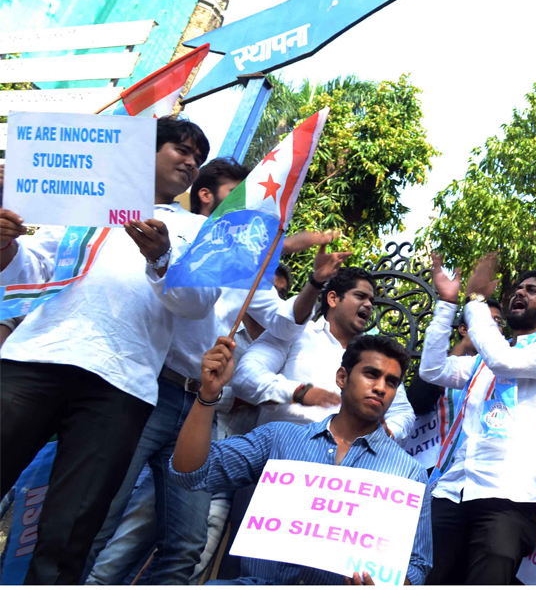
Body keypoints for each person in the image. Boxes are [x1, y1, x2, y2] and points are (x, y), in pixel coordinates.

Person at [84, 157, 346, 584]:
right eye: (236, 194)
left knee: (186, 546)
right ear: (206, 195)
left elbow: (283, 323)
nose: (249, 208)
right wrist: (286, 243)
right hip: (151, 392)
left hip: (203, 409)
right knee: (101, 518)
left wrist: (315, 282)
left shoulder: (246, 270)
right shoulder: (174, 237)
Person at [0, 117, 221, 584]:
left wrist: (162, 257)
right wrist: (4, 244)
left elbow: (199, 302)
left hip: (121, 386)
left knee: (69, 536)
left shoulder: (198, 231)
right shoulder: (86, 202)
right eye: (180, 149)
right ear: (146, 151)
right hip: (35, 358)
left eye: (198, 158)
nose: (190, 162)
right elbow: (31, 268)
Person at [169, 333, 434, 585]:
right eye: (371, 374)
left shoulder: (409, 474)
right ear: (342, 377)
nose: (380, 388)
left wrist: (381, 593)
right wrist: (208, 395)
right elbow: (192, 472)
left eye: (391, 382)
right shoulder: (279, 438)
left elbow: (417, 565)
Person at [419, 252, 536, 584]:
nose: (520, 292)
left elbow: (505, 361)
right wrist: (448, 304)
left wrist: (475, 301)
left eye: (532, 290)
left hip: (509, 498)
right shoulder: (484, 361)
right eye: (518, 288)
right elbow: (432, 369)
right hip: (453, 489)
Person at [231, 266, 415, 439]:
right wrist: (298, 393)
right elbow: (246, 376)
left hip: (348, 462)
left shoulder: (377, 358)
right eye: (360, 296)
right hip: (281, 453)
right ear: (333, 298)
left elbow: (403, 412)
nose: (368, 305)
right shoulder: (294, 332)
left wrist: (388, 432)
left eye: (371, 301)